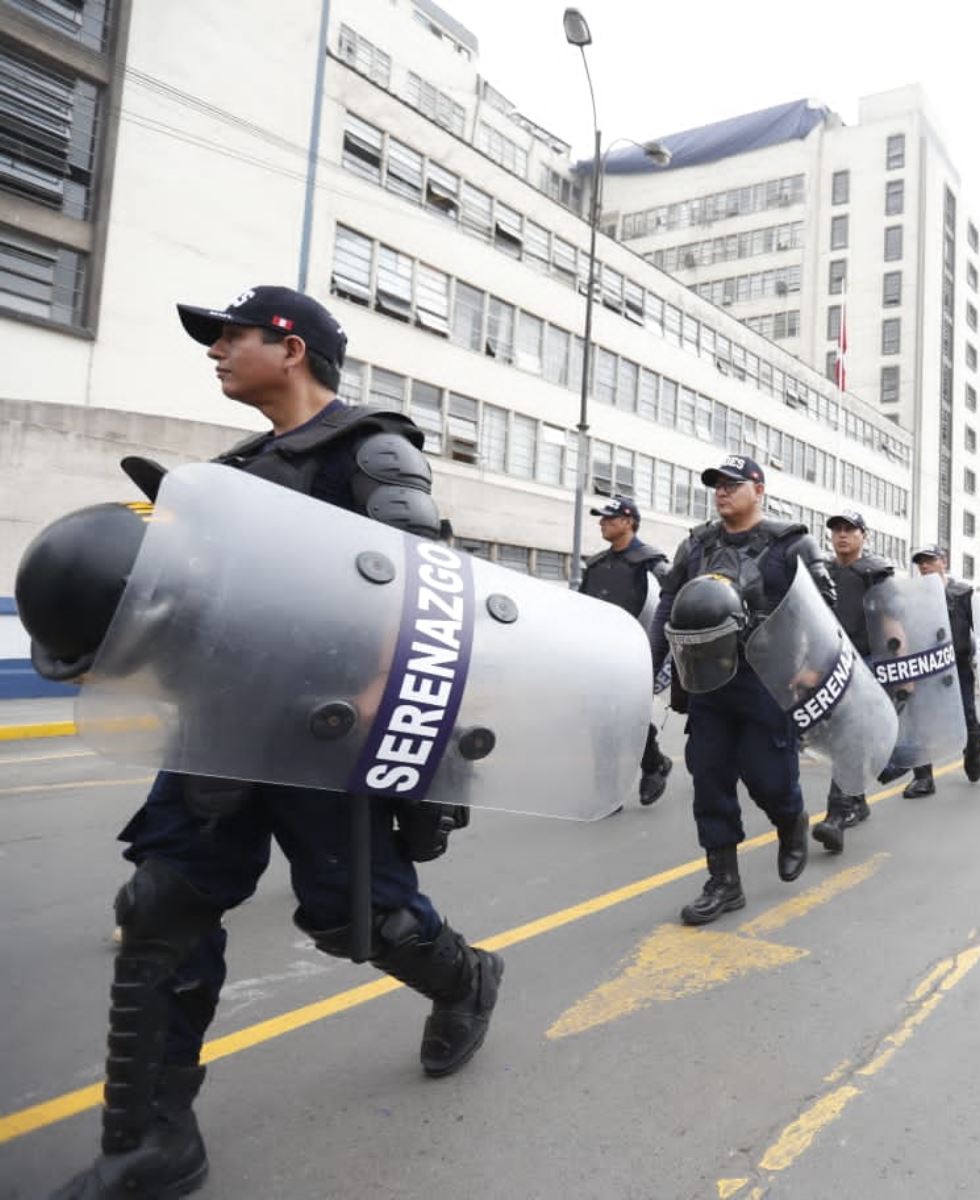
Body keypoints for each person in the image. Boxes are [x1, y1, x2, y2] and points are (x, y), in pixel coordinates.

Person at [19, 287, 497, 1199]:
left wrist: (369, 702)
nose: (216, 351)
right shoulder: (230, 472)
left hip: (327, 735)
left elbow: (424, 589)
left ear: (293, 348)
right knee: (162, 899)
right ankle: (150, 1141)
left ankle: (466, 979)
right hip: (221, 722)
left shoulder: (373, 448)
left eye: (231, 335)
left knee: (363, 919)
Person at [652, 455, 835, 924]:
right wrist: (648, 660)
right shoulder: (696, 545)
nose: (721, 491)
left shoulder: (789, 544)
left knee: (768, 778)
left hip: (766, 683)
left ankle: (790, 820)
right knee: (709, 782)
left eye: (732, 484)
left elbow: (824, 608)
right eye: (716, 484)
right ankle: (724, 883)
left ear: (759, 490)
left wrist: (814, 667)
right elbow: (670, 602)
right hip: (706, 682)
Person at [579, 495, 674, 803]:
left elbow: (672, 600)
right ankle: (608, 792)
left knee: (629, 717)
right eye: (601, 518)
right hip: (600, 654)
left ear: (629, 521)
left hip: (638, 654)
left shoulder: (651, 562)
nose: (602, 522)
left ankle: (654, 764)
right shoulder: (596, 565)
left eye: (609, 517)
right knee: (601, 723)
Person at [812, 511, 894, 853]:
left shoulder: (875, 575)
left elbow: (892, 622)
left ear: (863, 535)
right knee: (834, 737)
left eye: (849, 530)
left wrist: (898, 672)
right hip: (827, 662)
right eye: (836, 530)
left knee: (848, 735)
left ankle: (836, 814)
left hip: (866, 663)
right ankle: (857, 800)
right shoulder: (821, 573)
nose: (842, 536)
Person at [901, 547, 980, 796]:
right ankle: (924, 778)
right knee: (919, 721)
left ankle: (973, 748)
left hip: (956, 667)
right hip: (925, 666)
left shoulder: (962, 594)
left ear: (943, 562)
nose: (924, 566)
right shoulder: (912, 597)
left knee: (966, 716)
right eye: (920, 563)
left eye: (929, 561)